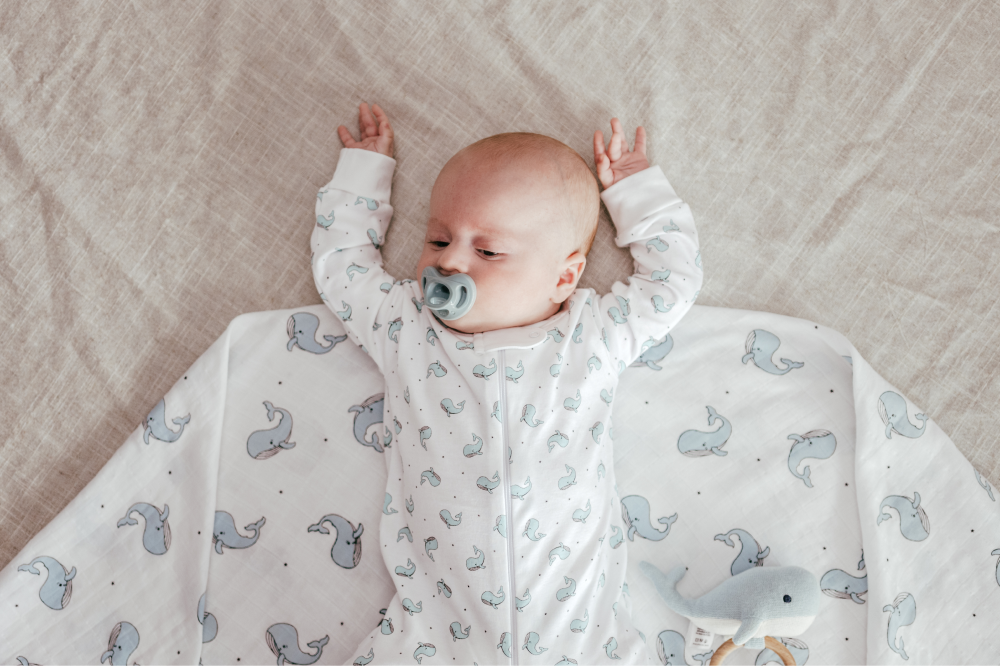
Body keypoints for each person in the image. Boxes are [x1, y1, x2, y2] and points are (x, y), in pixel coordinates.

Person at [311, 101, 702, 664]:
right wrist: (362, 177)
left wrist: (637, 192)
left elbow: (672, 281)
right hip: (434, 636)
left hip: (582, 637)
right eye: (439, 240)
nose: (451, 265)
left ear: (564, 276)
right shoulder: (408, 331)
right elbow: (342, 267)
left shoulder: (590, 338)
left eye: (488, 250)